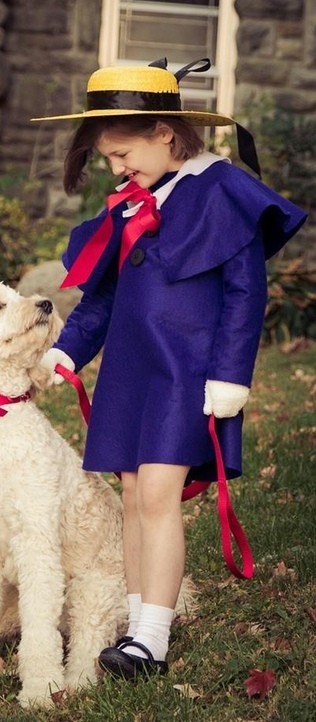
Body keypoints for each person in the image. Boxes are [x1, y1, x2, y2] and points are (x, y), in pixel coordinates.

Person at [32, 58, 307, 681]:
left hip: (189, 373)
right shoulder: (132, 205)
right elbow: (102, 297)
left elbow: (245, 292)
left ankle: (151, 639)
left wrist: (232, 374)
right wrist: (69, 349)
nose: (116, 168)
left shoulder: (220, 192)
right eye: (107, 159)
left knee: (157, 494)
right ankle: (136, 628)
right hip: (132, 371)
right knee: (132, 495)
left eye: (123, 152)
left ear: (164, 132)